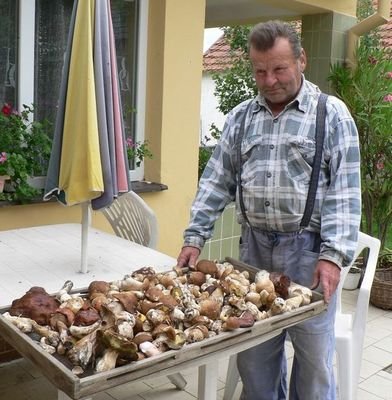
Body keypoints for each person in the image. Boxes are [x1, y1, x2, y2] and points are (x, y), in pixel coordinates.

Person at [177, 20, 361, 400]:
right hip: (254, 254)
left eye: (279, 69)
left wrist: (332, 257)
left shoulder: (331, 115)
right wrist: (195, 238)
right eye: (260, 71)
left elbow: (345, 194)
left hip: (309, 254)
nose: (269, 80)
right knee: (255, 359)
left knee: (313, 364)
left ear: (302, 60)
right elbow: (216, 181)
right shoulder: (241, 118)